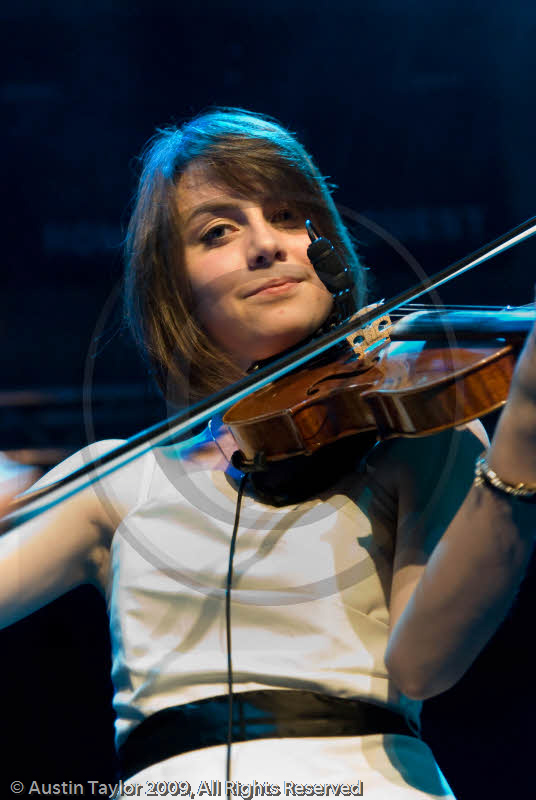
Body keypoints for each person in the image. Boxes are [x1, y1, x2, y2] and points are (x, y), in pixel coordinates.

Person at [1, 108, 535, 799]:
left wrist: (523, 434)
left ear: (328, 248)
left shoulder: (414, 432)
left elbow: (424, 665)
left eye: (287, 216)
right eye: (218, 232)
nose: (266, 246)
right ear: (175, 288)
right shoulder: (120, 477)